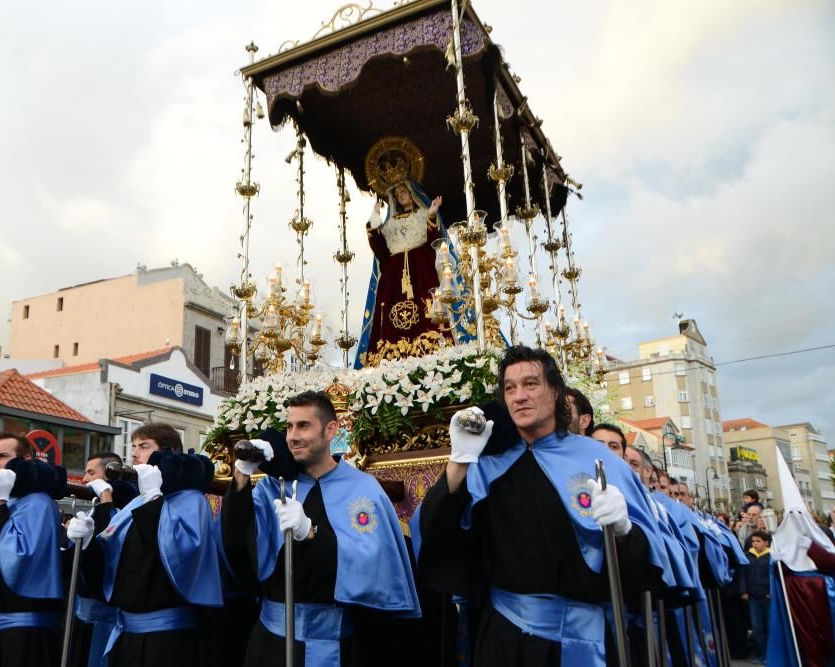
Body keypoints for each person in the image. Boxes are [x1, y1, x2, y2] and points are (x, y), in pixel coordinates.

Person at [415, 345, 669, 666]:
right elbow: (437, 536)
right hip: (506, 637)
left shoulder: (598, 458)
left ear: (556, 393)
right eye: (510, 388)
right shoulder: (488, 465)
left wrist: (623, 531)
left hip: (586, 640)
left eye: (531, 384)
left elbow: (647, 566)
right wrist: (459, 461)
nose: (519, 396)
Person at [222, 390, 420, 666]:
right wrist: (242, 474)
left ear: (331, 431)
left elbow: (373, 570)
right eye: (289, 427)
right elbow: (236, 546)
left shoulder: (363, 489)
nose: (292, 436)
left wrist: (310, 535)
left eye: (304, 426)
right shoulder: (273, 487)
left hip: (336, 646)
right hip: (270, 644)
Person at [69, 432, 222, 666]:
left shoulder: (191, 500)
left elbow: (180, 556)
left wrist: (154, 501)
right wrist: (88, 541)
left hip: (167, 641)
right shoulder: (137, 501)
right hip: (126, 634)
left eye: (143, 446)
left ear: (168, 453)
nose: (134, 453)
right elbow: (113, 563)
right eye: (133, 446)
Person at [355, 137, 471, 367]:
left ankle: (436, 355)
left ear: (411, 191)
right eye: (396, 193)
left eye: (403, 191)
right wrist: (375, 219)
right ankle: (389, 359)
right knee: (389, 315)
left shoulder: (423, 214)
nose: (400, 195)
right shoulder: (388, 224)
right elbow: (380, 250)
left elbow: (435, 241)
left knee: (428, 307)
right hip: (393, 275)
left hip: (422, 267)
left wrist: (432, 214)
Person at [0, 432, 66, 667]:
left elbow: (18, 558)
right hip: (2, 627)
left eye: (3, 456)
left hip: (26, 635)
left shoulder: (38, 502)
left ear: (23, 459)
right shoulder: (13, 502)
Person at [64, 451, 138, 667]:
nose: (85, 480)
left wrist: (106, 497)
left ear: (111, 473)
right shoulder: (98, 508)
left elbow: (108, 549)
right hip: (83, 616)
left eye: (91, 473)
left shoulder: (124, 505)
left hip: (104, 618)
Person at [741, 530, 771, 663]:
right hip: (753, 597)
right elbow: (743, 575)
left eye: (758, 541)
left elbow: (774, 576)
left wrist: (771, 591)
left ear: (766, 542)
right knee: (756, 626)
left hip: (767, 597)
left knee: (769, 626)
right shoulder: (748, 556)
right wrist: (744, 591)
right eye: (753, 541)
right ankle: (761, 654)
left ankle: (770, 654)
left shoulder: (771, 557)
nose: (755, 544)